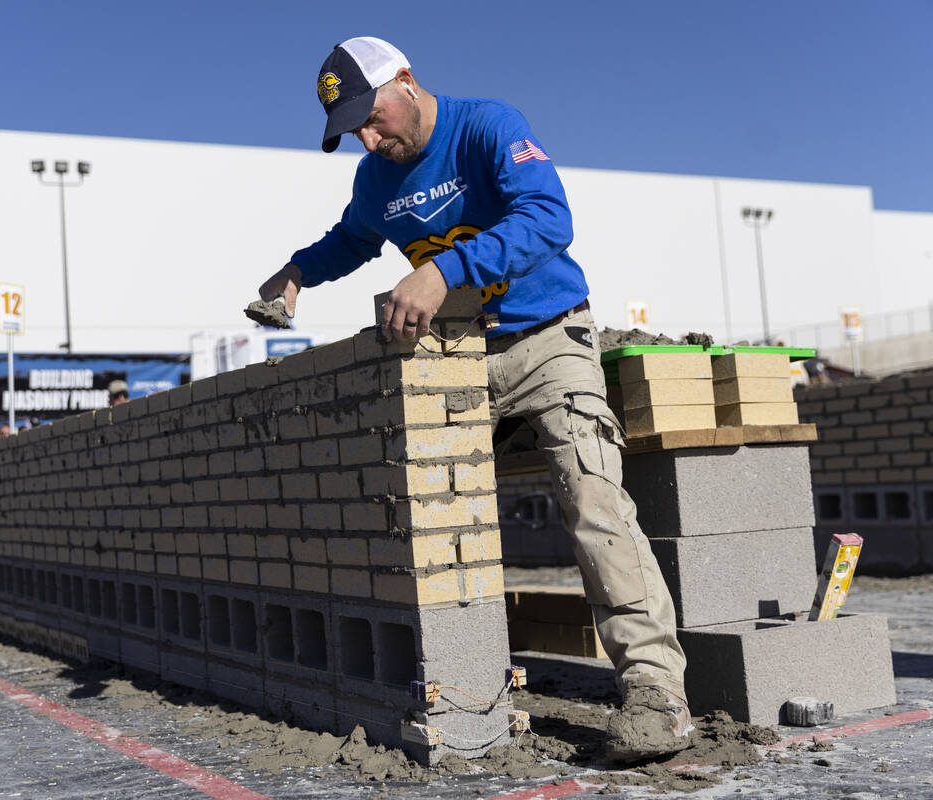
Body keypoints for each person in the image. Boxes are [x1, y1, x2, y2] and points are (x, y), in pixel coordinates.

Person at [257, 37, 690, 761]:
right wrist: (298, 272)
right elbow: (353, 239)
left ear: (407, 80)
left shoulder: (487, 125)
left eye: (373, 116)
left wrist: (443, 270)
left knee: (592, 499)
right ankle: (450, 676)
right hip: (455, 361)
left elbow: (550, 219)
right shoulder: (375, 180)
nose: (370, 136)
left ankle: (657, 692)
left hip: (547, 338)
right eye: (354, 130)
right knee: (412, 500)